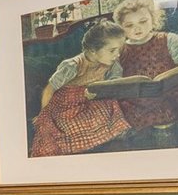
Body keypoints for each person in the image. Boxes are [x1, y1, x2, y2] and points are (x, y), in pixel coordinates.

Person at [112, 0, 178, 147]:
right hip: (142, 99)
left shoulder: (168, 39)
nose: (137, 28)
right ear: (121, 28)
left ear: (153, 20)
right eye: (129, 25)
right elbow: (115, 78)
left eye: (143, 22)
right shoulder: (120, 50)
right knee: (159, 116)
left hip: (177, 89)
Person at [30, 20, 131, 157]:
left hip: (92, 100)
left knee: (110, 107)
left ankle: (106, 137)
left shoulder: (112, 64)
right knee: (67, 126)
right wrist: (43, 115)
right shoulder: (72, 65)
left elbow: (114, 83)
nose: (117, 54)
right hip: (66, 106)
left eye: (119, 50)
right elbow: (49, 89)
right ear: (93, 51)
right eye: (112, 50)